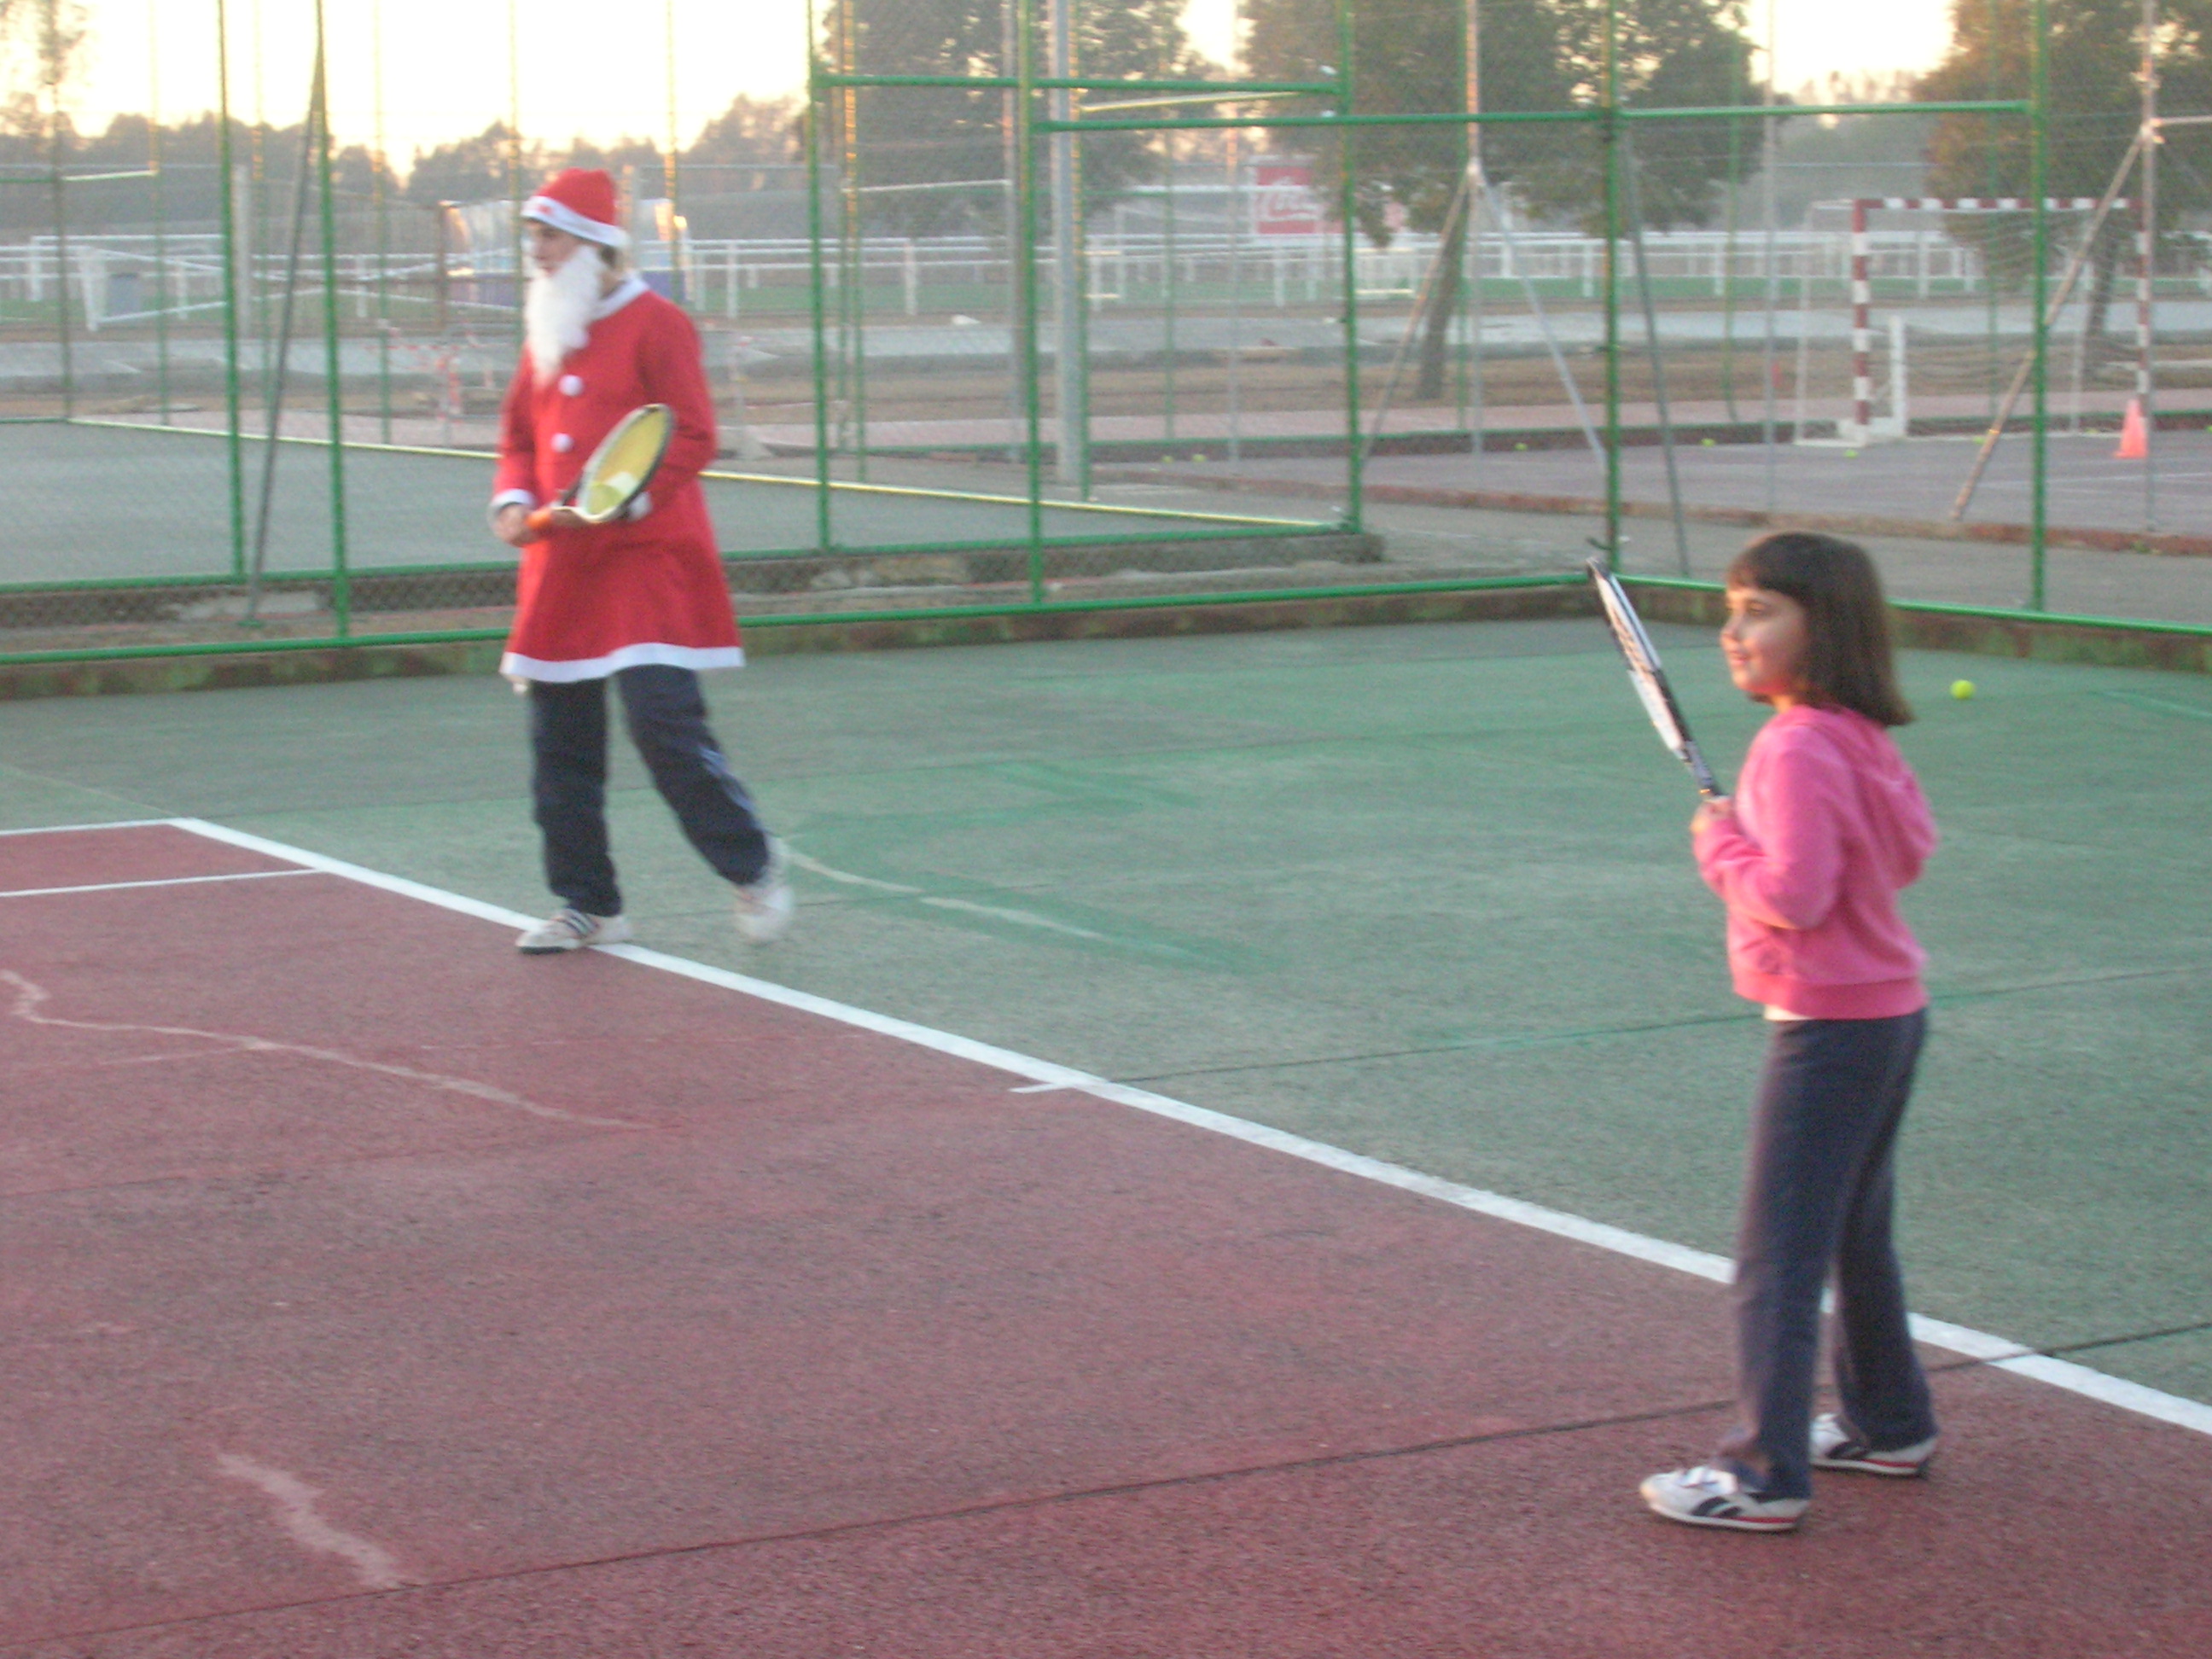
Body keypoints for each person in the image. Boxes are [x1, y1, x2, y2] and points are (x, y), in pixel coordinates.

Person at [1640, 532, 1941, 1534]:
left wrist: (1719, 842)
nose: (1733, 631)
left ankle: (1763, 1476)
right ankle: (1889, 1423)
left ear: (1826, 627)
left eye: (1760, 611)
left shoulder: (1795, 744)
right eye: (1731, 610)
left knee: (1778, 1257)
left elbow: (1793, 896)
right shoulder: (1858, 733)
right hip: (1892, 1014)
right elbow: (1909, 852)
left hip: (1829, 1027)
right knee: (1856, 1234)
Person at [490, 166, 792, 954]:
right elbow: (519, 438)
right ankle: (588, 904)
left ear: (593, 244)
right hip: (561, 570)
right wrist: (514, 502)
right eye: (532, 237)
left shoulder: (658, 323)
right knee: (560, 745)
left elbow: (693, 433)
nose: (537, 252)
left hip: (645, 563)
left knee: (663, 725)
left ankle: (752, 865)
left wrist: (626, 501)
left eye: (549, 237)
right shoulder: (544, 331)